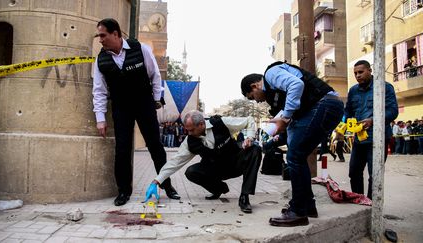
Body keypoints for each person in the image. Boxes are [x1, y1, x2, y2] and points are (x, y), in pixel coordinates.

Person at [241, 61, 344, 227]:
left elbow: (296, 84)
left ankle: (298, 211)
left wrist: (286, 117)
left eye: (252, 97)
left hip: (324, 104)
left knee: (295, 156)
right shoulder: (277, 93)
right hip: (328, 106)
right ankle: (308, 205)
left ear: (254, 86)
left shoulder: (271, 74)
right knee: (298, 155)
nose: (257, 102)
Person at [92, 18, 180, 206]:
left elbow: (155, 75)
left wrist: (156, 99)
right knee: (122, 149)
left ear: (115, 34)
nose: (100, 39)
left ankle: (167, 185)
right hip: (121, 107)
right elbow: (99, 91)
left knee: (155, 146)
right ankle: (123, 191)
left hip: (144, 103)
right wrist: (100, 118)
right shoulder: (101, 59)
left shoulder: (140, 49)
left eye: (102, 35)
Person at [144, 110, 262, 214]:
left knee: (255, 150)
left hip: (235, 163)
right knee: (191, 172)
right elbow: (175, 162)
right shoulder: (190, 141)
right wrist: (156, 181)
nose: (189, 133)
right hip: (216, 169)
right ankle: (218, 189)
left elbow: (249, 120)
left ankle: (244, 196)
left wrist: (249, 138)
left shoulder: (221, 122)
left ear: (201, 124)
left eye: (191, 130)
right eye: (187, 130)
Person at [344, 60, 398, 200]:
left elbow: (393, 111)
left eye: (361, 72)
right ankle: (358, 201)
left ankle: (371, 206)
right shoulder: (353, 90)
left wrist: (374, 120)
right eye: (355, 73)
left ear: (370, 70)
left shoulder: (384, 87)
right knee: (354, 172)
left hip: (378, 139)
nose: (358, 75)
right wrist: (343, 127)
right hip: (359, 139)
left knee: (375, 175)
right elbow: (348, 111)